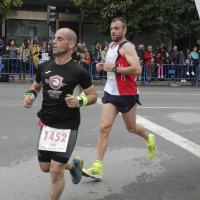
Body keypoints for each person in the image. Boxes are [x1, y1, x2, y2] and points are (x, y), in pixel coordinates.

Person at [23, 28, 97, 200]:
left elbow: (93, 95)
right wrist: (29, 96)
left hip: (67, 125)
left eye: (59, 39)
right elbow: (35, 86)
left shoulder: (79, 71)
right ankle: (74, 166)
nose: (54, 42)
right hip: (47, 123)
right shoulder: (44, 66)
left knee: (56, 171)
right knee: (45, 167)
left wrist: (79, 101)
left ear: (71, 44)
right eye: (54, 38)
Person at [82, 18, 156, 180]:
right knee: (104, 127)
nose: (113, 31)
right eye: (111, 28)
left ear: (124, 30)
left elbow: (137, 69)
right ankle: (97, 167)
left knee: (131, 128)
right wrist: (102, 66)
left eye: (117, 28)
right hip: (111, 93)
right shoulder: (111, 47)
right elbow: (112, 68)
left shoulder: (127, 46)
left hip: (127, 93)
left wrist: (115, 68)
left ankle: (148, 138)